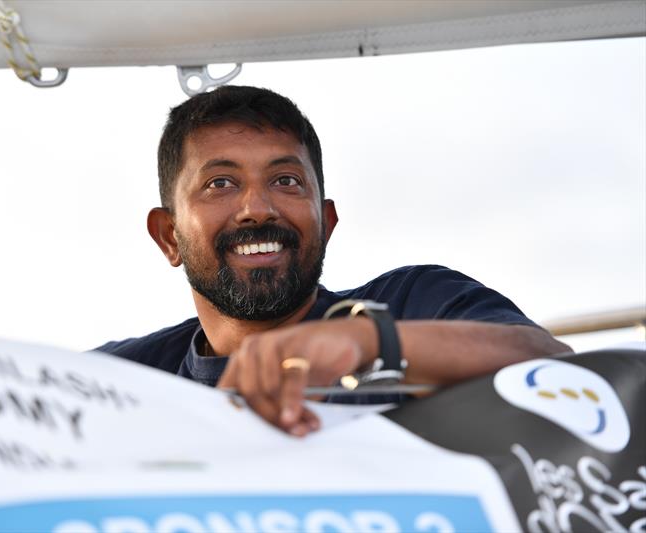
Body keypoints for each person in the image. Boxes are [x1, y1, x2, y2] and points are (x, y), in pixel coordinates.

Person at [96, 86, 570, 437]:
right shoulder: (126, 379)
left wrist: (370, 343)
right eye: (221, 183)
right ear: (168, 236)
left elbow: (554, 364)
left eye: (286, 180)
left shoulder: (413, 301)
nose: (258, 208)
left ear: (326, 222)